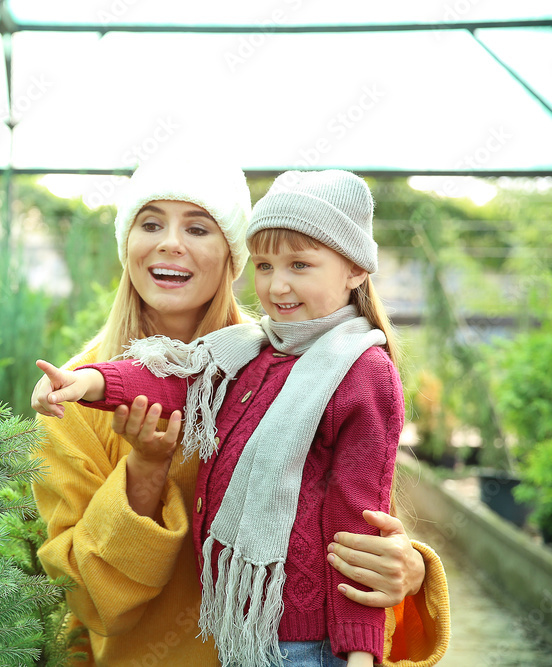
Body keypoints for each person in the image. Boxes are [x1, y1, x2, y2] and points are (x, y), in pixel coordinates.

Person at [31, 160, 450, 666]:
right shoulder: (74, 399)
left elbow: (350, 509)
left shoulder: (302, 366)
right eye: (150, 223)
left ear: (233, 255)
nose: (169, 243)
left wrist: (409, 571)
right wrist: (144, 471)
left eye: (198, 227)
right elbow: (87, 597)